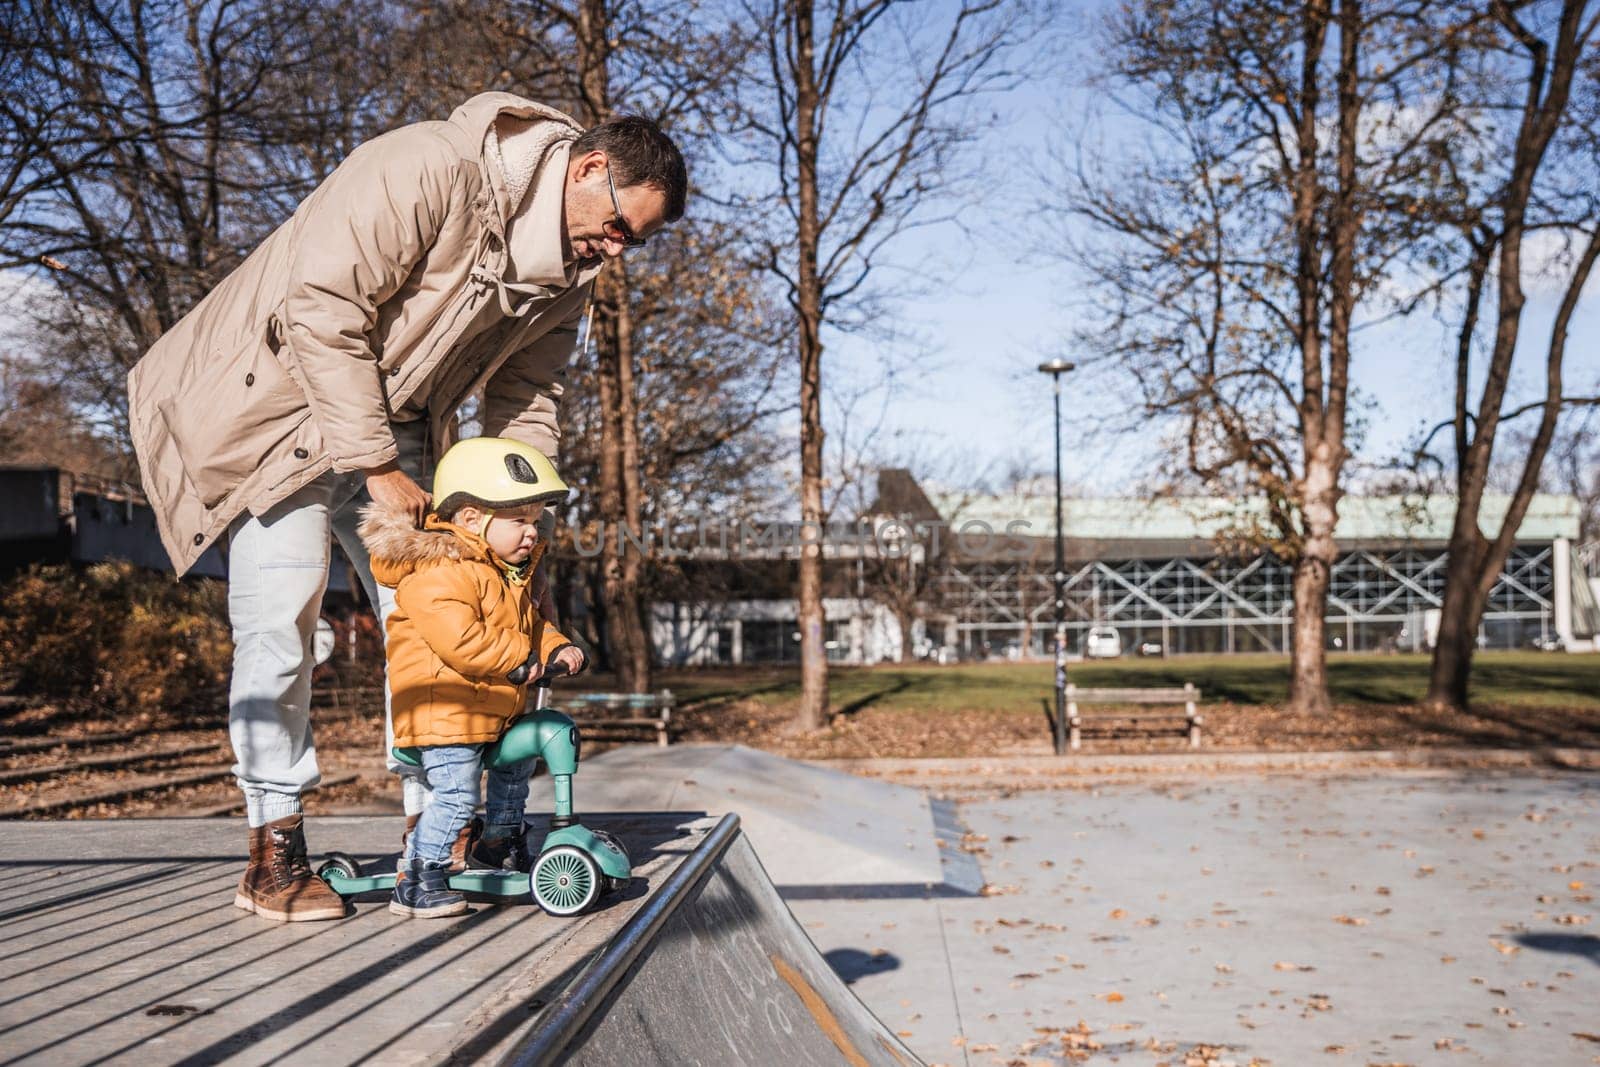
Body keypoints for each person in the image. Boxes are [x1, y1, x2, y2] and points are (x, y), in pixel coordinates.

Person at [126, 92, 686, 922]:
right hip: (280, 413)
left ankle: (436, 827)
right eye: (618, 226)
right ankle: (272, 850)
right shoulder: (430, 166)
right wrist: (379, 466)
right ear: (591, 169)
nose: (617, 248)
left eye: (632, 240)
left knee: (441, 617)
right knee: (281, 622)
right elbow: (321, 309)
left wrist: (517, 513)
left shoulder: (569, 277)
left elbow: (528, 392)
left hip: (400, 430)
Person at [359, 437, 584, 917]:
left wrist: (555, 646)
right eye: (519, 520)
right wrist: (520, 660)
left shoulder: (505, 573)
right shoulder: (438, 570)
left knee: (517, 766)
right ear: (469, 520)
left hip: (489, 708)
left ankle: (496, 844)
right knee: (458, 795)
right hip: (446, 711)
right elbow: (460, 638)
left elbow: (530, 626)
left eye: (536, 520)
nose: (531, 532)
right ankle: (420, 875)